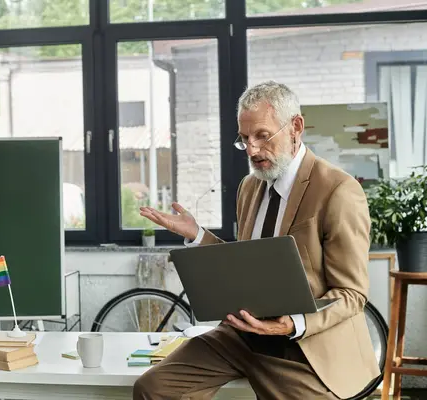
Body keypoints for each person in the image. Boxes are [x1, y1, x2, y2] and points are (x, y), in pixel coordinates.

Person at [135, 81, 379, 400]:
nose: (251, 149)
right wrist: (196, 234)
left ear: (296, 127)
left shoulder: (338, 191)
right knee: (153, 388)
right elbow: (246, 265)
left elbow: (351, 294)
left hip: (303, 346)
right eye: (245, 139)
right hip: (243, 336)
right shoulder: (250, 186)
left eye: (262, 136)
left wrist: (292, 324)